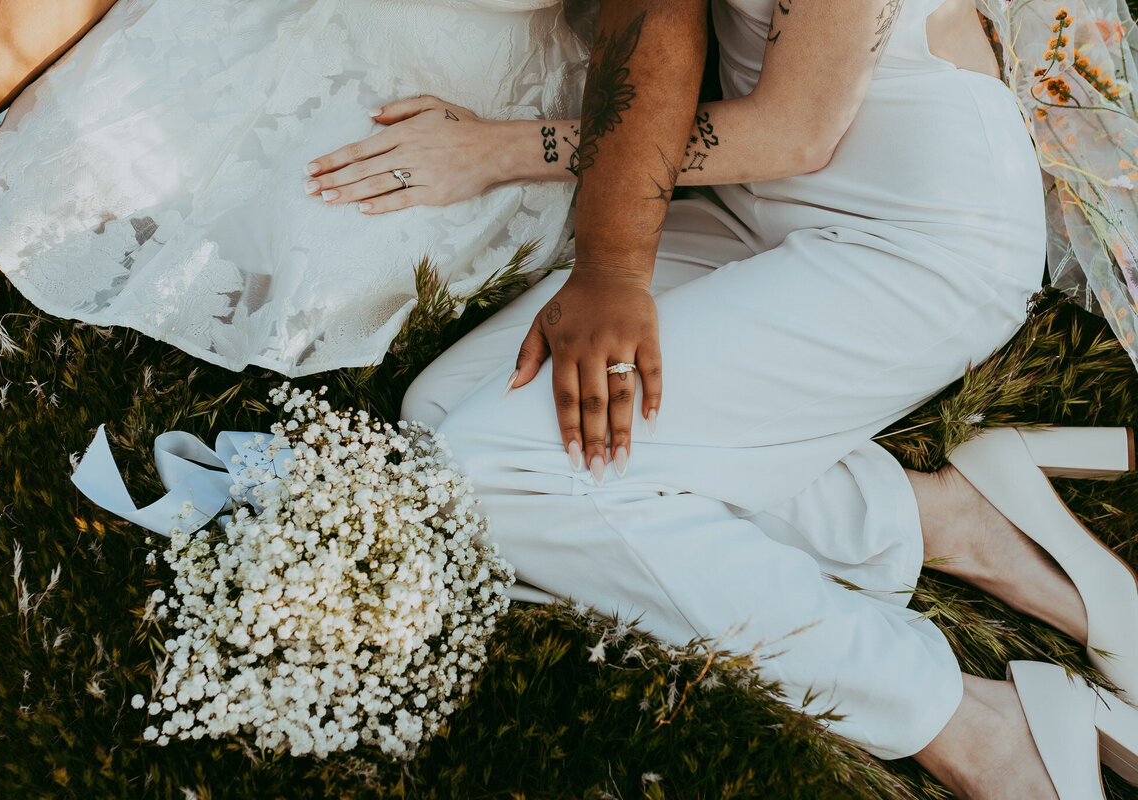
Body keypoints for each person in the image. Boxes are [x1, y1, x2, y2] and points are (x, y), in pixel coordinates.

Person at [400, 0, 1138, 797]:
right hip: (757, 207)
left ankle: (969, 722)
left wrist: (499, 151)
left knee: (490, 471)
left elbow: (794, 129)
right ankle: (931, 515)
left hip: (915, 233)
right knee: (442, 416)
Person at [0, 0, 591, 375]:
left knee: (334, 289)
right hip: (215, 36)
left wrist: (507, 151)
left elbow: (660, 97)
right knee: (56, 195)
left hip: (446, 114)